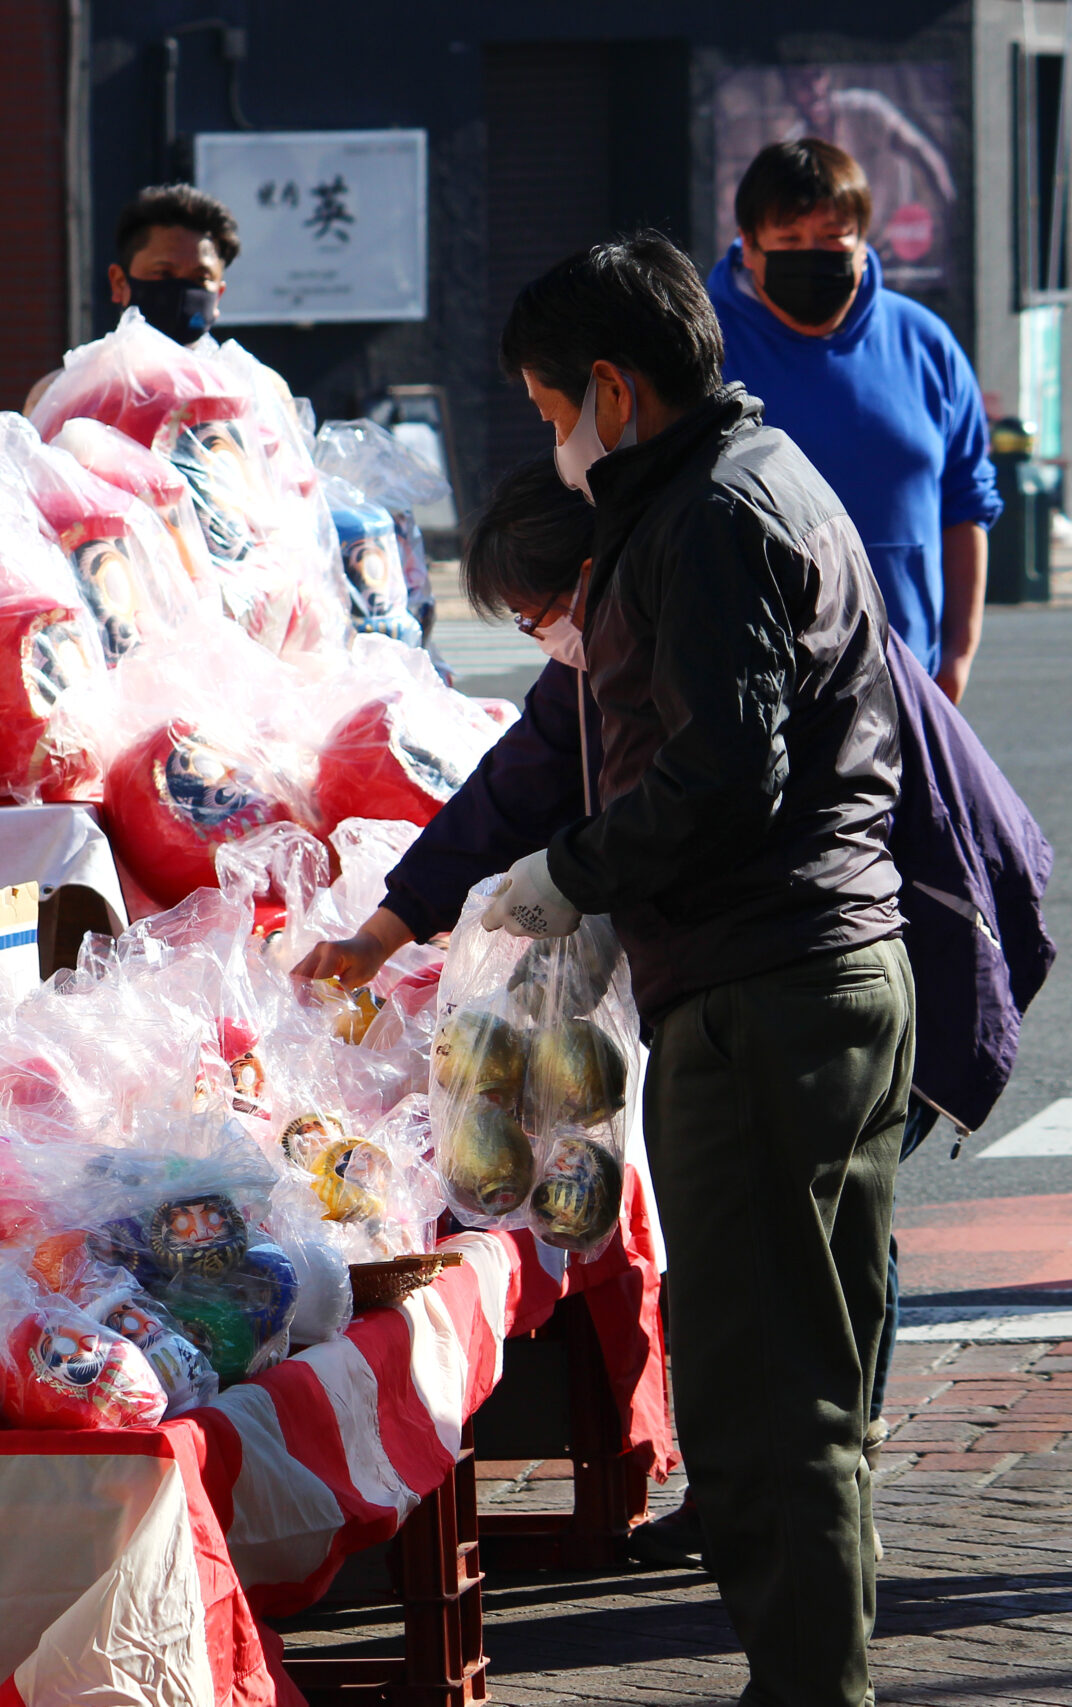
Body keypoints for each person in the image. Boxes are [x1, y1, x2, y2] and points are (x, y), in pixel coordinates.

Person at [298, 232, 912, 1707]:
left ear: (615, 392)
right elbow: (542, 762)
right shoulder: (741, 488)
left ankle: (812, 1687)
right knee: (809, 1378)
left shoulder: (699, 521)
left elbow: (718, 775)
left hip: (770, 988)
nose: (551, 441)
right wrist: (401, 918)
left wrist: (571, 878)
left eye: (549, 406)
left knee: (767, 1394)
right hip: (821, 972)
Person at [710, 138, 1000, 703]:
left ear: (864, 245)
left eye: (831, 237)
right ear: (747, 246)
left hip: (908, 685)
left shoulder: (927, 344)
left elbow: (966, 506)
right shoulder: (701, 350)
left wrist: (957, 658)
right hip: (749, 695)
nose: (811, 253)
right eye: (789, 239)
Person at [25, 184, 240, 412]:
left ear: (218, 295)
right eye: (164, 273)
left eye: (200, 278)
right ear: (119, 282)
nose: (182, 291)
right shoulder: (64, 393)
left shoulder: (250, 391)